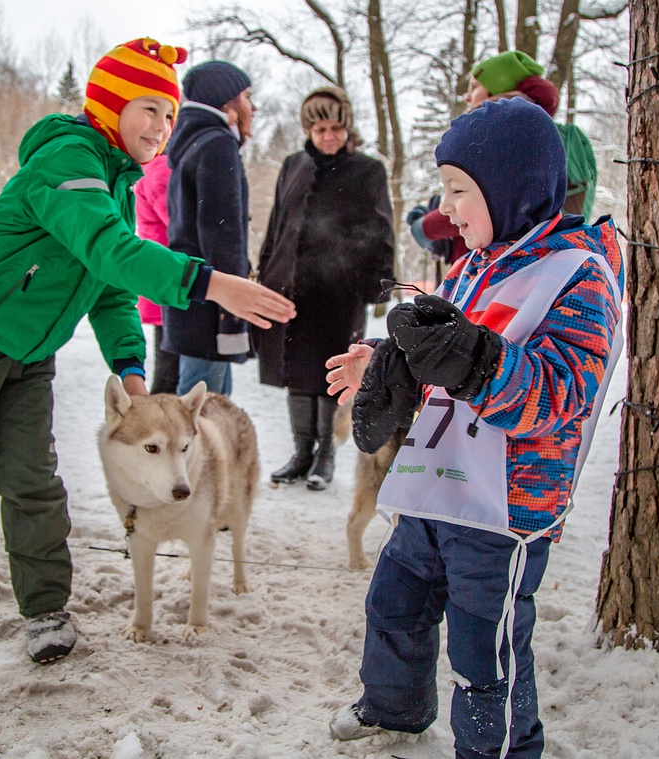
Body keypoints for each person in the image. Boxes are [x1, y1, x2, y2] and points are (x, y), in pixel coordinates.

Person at [0, 38, 295, 664]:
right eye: (148, 108)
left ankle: (44, 610)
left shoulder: (115, 185)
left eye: (170, 114)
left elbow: (111, 288)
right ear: (110, 104)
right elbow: (111, 250)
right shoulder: (68, 159)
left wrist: (132, 373)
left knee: (32, 480)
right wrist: (213, 282)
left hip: (30, 354)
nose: (162, 126)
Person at [324, 98, 623, 758]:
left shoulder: (579, 275)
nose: (447, 206)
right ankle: (394, 707)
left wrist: (474, 360)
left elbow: (560, 392)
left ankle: (500, 750)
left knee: (484, 646)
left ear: (510, 185)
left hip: (505, 505)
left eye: (460, 189)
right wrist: (385, 359)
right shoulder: (472, 265)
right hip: (437, 484)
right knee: (393, 603)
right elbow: (438, 349)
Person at [254, 86, 394, 490]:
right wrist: (265, 273)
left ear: (347, 128)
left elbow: (381, 228)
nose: (328, 135)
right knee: (295, 372)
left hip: (339, 288)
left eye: (335, 127)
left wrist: (377, 284)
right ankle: (301, 453)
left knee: (329, 373)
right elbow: (277, 224)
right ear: (308, 129)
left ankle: (326, 456)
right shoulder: (293, 165)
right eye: (319, 128)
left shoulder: (367, 170)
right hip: (290, 287)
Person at [410, 50, 599, 260]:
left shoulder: (513, 138)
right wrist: (451, 245)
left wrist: (426, 228)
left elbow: (496, 206)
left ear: (498, 89)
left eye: (474, 87)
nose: (467, 96)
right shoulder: (536, 133)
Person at [162, 60, 255, 396]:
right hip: (211, 304)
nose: (251, 106)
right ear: (226, 100)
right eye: (246, 96)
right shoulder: (217, 145)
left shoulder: (191, 143)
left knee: (210, 406)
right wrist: (235, 306)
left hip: (191, 297)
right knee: (201, 416)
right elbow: (222, 234)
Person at [133, 152, 180, 394]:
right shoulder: (162, 168)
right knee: (169, 376)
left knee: (169, 370)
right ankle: (155, 426)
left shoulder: (154, 167)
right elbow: (178, 221)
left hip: (163, 283)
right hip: (170, 283)